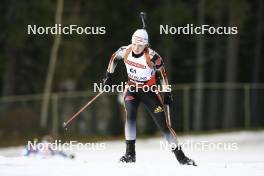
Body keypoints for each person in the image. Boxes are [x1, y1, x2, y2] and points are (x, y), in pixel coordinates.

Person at [103, 29, 196, 166]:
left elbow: (163, 74)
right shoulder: (125, 50)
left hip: (149, 91)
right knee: (131, 118)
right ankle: (130, 154)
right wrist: (108, 76)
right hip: (132, 89)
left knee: (163, 126)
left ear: (146, 45)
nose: (136, 47)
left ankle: (181, 158)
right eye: (134, 44)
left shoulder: (153, 57)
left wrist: (167, 93)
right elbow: (114, 58)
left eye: (140, 45)